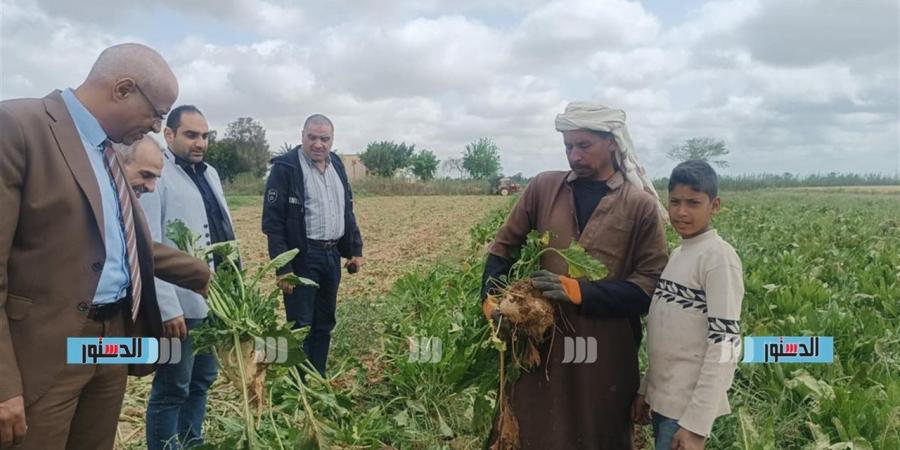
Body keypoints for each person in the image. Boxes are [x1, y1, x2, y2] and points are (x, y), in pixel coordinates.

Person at [0, 43, 211, 450]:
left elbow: (125, 242)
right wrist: (3, 384)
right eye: (157, 113)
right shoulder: (17, 126)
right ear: (123, 89)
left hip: (110, 340)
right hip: (48, 346)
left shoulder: (107, 151)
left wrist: (203, 275)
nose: (154, 127)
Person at [481, 102, 668, 448]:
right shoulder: (543, 188)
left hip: (606, 350)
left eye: (584, 146)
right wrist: (492, 301)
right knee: (535, 427)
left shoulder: (638, 206)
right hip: (541, 348)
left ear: (612, 143)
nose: (574, 155)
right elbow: (503, 247)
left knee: (600, 431)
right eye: (568, 146)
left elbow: (650, 286)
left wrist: (583, 293)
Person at [632, 160, 744, 450]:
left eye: (693, 203)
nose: (681, 212)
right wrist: (647, 389)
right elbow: (668, 337)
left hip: (686, 412)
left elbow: (726, 343)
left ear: (714, 205)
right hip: (664, 403)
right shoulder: (679, 254)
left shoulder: (718, 259)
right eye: (675, 202)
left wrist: (696, 425)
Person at [140, 105, 231, 449]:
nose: (200, 143)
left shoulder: (210, 174)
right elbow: (150, 245)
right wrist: (166, 308)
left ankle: (192, 442)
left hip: (213, 300)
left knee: (203, 378)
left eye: (204, 135)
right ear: (169, 134)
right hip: (178, 306)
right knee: (172, 387)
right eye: (191, 135)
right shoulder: (157, 175)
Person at [262, 114, 364, 376]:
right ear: (302, 136)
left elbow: (346, 210)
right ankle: (295, 386)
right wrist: (283, 266)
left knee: (324, 322)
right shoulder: (286, 169)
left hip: (331, 256)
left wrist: (354, 249)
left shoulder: (337, 165)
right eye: (313, 137)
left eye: (325, 139)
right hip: (303, 258)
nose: (318, 144)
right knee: (299, 326)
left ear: (332, 140)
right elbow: (273, 223)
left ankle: (316, 378)